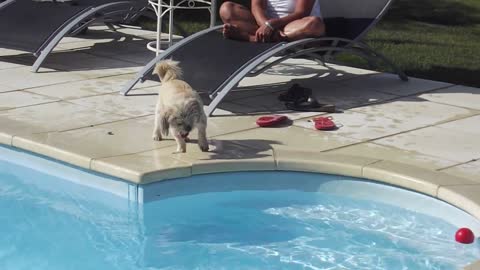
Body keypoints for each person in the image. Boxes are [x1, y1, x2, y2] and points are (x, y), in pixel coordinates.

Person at [219, 0, 325, 43]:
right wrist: (266, 24)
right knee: (227, 8)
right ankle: (270, 38)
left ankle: (251, 38)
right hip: (264, 25)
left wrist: (272, 25)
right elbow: (257, 8)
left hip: (295, 25)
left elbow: (301, 12)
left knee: (314, 24)